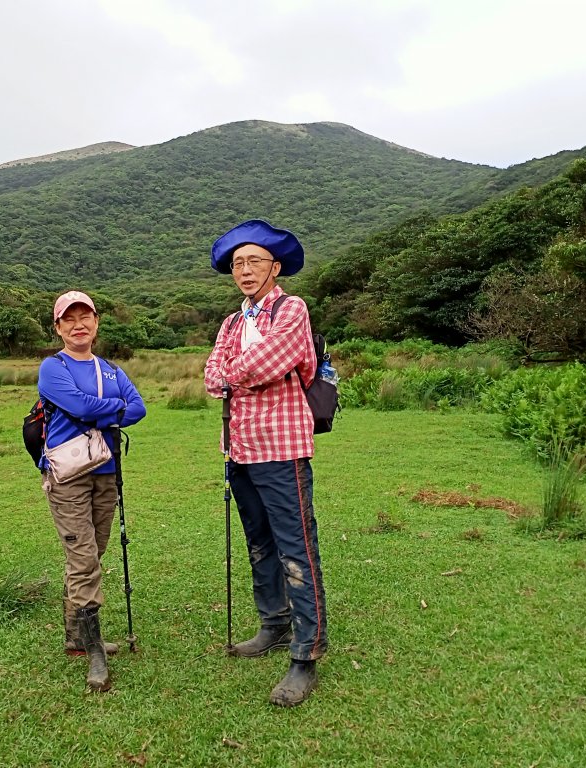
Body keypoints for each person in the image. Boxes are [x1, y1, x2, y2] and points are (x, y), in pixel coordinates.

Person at [203, 220, 328, 708]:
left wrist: (236, 371)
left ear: (275, 267)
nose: (245, 270)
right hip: (239, 448)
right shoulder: (232, 322)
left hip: (282, 446)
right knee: (259, 542)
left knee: (296, 544)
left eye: (255, 261)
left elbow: (269, 363)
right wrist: (237, 372)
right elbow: (212, 378)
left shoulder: (292, 308)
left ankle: (306, 654)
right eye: (237, 263)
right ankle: (273, 624)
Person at [38, 290, 146, 692]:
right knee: (84, 560)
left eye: (85, 317)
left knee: (93, 552)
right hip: (67, 474)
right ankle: (95, 649)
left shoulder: (112, 369)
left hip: (106, 469)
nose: (78, 324)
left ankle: (75, 635)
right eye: (69, 319)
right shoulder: (53, 367)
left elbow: (140, 409)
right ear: (58, 327)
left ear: (97, 323)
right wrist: (111, 406)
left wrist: (98, 405)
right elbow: (81, 407)